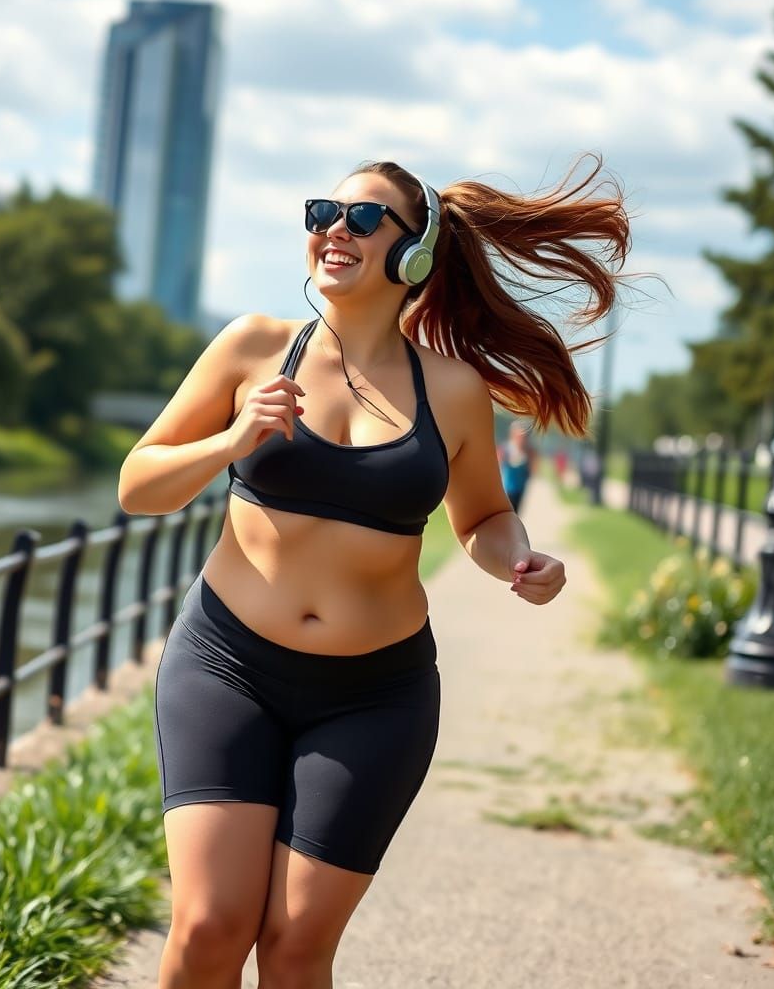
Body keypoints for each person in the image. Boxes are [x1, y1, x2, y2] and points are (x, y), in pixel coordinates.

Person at [118, 154, 630, 988]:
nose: (334, 229)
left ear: (414, 255)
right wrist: (231, 440)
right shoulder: (254, 346)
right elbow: (138, 485)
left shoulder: (452, 389)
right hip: (227, 667)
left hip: (374, 697)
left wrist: (518, 557)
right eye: (322, 211)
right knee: (210, 927)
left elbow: (482, 518)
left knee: (295, 949)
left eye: (362, 218)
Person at [497, 419, 537, 513]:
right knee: (508, 510)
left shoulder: (529, 451)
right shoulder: (506, 449)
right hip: (507, 487)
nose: (521, 439)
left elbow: (532, 469)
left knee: (516, 510)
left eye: (524, 437)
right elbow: (498, 465)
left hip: (520, 487)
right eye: (519, 437)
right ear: (513, 435)